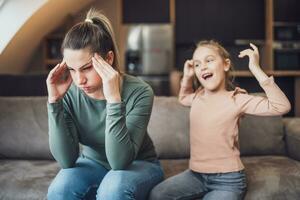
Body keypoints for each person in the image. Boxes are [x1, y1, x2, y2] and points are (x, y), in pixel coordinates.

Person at [149, 40, 291, 200]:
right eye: (197, 64)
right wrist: (187, 77)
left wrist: (256, 69)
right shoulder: (197, 96)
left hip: (228, 180)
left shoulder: (237, 99)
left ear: (225, 65)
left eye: (209, 60)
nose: (202, 66)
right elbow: (182, 98)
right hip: (195, 175)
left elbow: (282, 106)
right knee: (158, 194)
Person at [46, 9, 163, 200]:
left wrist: (114, 100)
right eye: (72, 70)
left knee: (112, 190)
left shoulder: (140, 91)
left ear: (108, 58)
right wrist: (54, 102)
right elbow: (66, 161)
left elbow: (119, 162)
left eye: (86, 68)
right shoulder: (68, 94)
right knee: (60, 189)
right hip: (92, 163)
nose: (79, 80)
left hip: (139, 164)